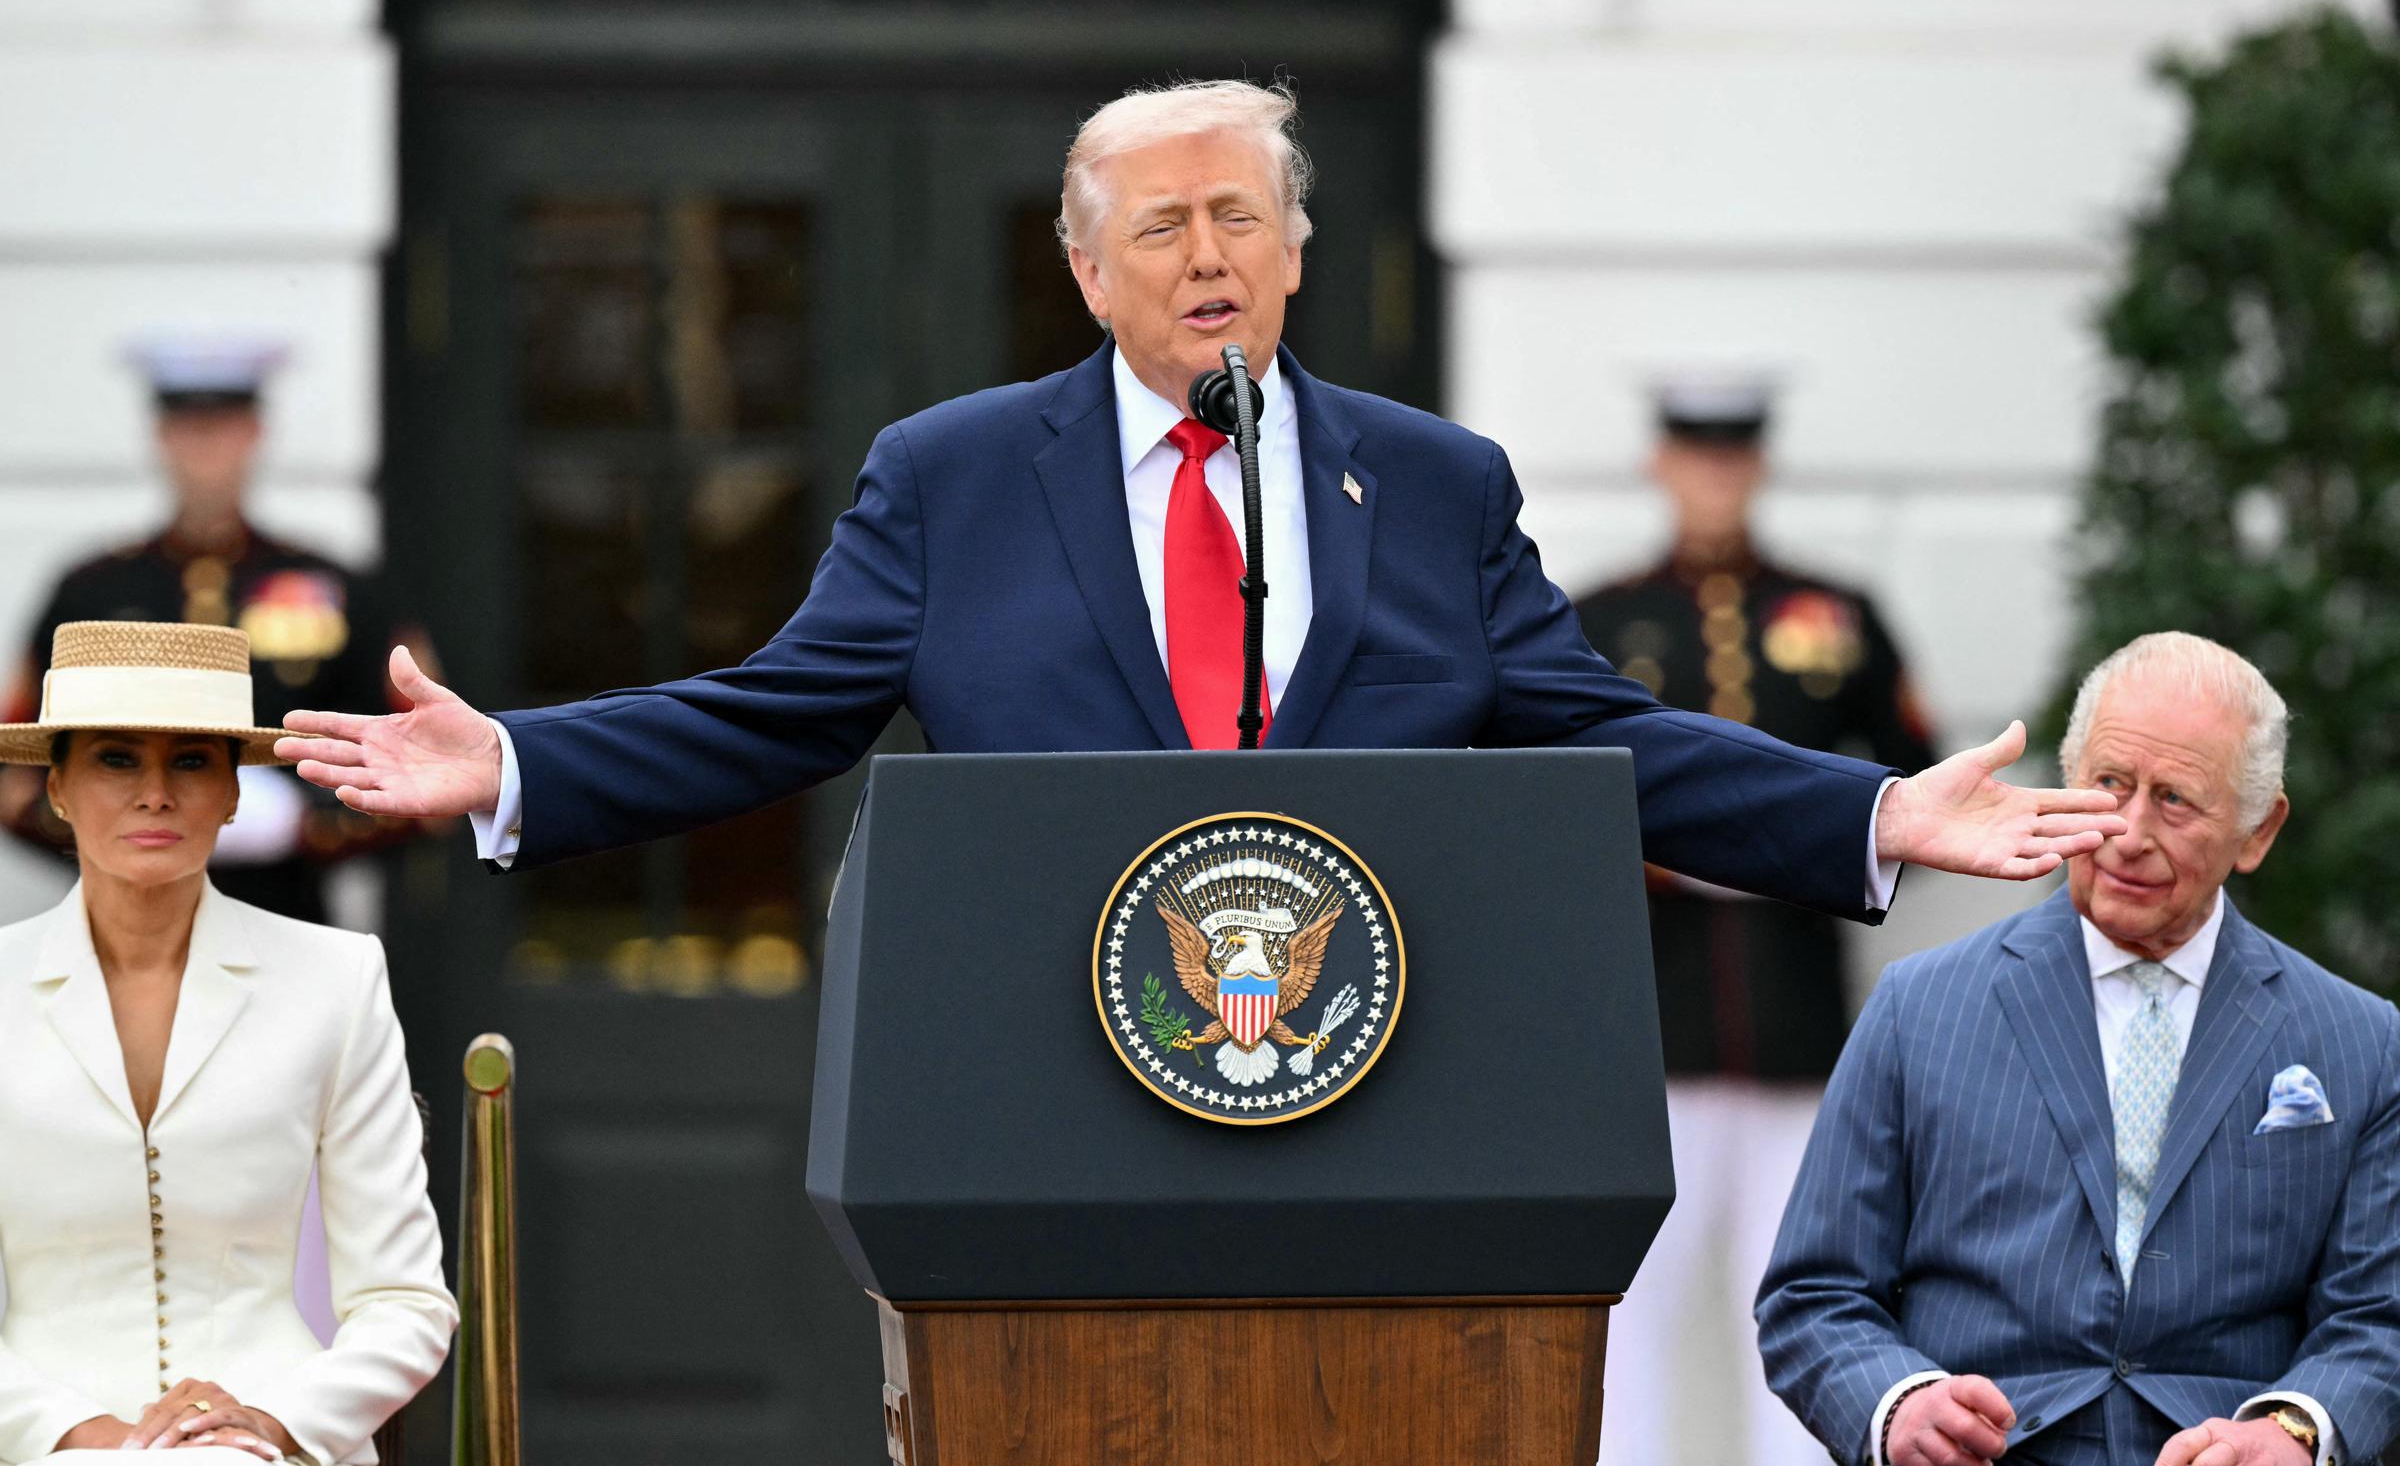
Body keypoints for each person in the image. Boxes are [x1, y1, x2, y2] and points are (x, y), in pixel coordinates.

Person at [277, 80, 2125, 931]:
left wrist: (1876, 810)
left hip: (1379, 1080)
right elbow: (776, 713)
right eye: (1160, 226)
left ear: (1300, 247)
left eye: (1242, 214)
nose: (1207, 252)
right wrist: (511, 763)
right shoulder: (953, 476)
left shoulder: (1430, 481)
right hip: (1039, 1080)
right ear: (1088, 279)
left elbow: (1594, 734)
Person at [1758, 633, 2400, 1466]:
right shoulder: (1921, 1011)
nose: (2129, 832)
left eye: (2175, 799)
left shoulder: (2359, 1039)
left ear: (2257, 830)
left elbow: (2379, 1316)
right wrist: (1899, 1406)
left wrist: (2294, 1432)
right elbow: (1813, 1295)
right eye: (2109, 785)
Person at [1578, 376, 1937, 1466]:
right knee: (1623, 1316)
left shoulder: (1834, 613)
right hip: (1653, 1034)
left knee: (1803, 1308)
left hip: (1796, 1031)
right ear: (1661, 465)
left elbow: (1917, 791)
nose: (1715, 481)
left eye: (1732, 460)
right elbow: (1547, 804)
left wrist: (1827, 851)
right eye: (1697, 458)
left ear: (1760, 467)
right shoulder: (1598, 618)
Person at [0, 622, 456, 1465]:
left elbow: (405, 1299)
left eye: (191, 760)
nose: (155, 793)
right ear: (55, 786)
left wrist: (271, 1425)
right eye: (115, 757)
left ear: (235, 792)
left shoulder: (337, 978)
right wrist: (81, 1435)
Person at [0, 336, 430, 926]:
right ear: (161, 436)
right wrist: (108, 822)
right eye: (188, 426)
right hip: (122, 917)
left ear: (255, 432)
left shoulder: (340, 587)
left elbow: (419, 766)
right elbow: (17, 774)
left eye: (223, 425)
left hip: (288, 918)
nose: (206, 448)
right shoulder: (89, 589)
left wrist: (305, 823)